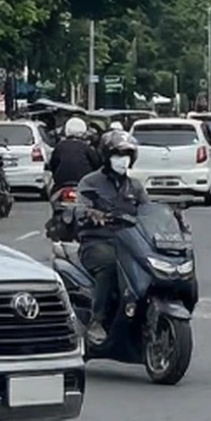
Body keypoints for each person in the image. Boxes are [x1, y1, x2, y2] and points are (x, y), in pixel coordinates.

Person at [74, 129, 151, 347]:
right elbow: (80, 208)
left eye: (126, 154)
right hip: (96, 242)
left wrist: (173, 218)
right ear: (106, 157)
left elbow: (148, 211)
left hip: (129, 243)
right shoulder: (90, 182)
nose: (122, 159)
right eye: (117, 154)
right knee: (109, 266)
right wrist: (91, 213)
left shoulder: (135, 186)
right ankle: (98, 320)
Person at [48, 116, 99, 192]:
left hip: (62, 182)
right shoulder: (86, 147)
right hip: (82, 182)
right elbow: (96, 164)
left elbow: (53, 164)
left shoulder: (60, 146)